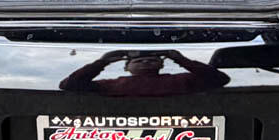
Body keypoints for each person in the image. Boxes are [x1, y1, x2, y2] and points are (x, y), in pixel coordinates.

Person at [59, 49, 229, 97]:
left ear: (162, 64)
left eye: (152, 59)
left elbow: (219, 79)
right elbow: (70, 85)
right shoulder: (110, 84)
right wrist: (102, 62)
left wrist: (181, 59)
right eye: (138, 60)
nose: (146, 62)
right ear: (126, 68)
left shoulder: (183, 80)